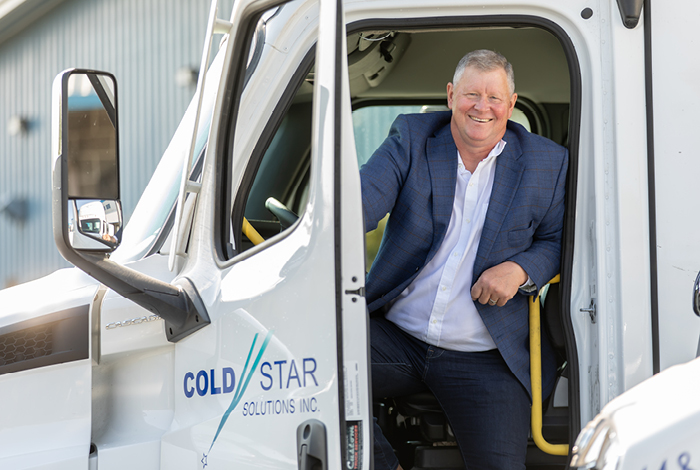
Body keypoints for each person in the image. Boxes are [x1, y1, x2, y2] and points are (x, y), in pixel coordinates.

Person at [360, 49, 568, 469]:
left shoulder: (548, 163)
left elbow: (558, 239)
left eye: (495, 98)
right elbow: (356, 204)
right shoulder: (412, 138)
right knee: (307, 362)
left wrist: (522, 269)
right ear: (451, 95)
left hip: (486, 354)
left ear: (511, 104)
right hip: (400, 336)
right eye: (472, 94)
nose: (482, 107)